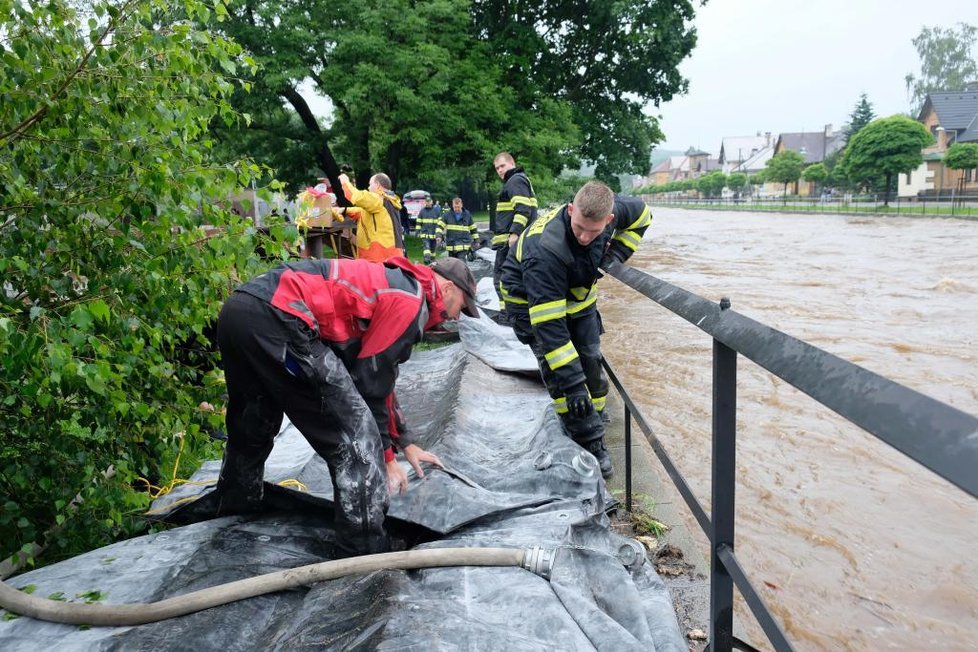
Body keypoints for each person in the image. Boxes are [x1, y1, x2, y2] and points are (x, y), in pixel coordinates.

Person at [214, 255, 479, 556]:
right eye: (462, 306)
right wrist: (386, 458)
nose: (458, 317)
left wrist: (404, 442)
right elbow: (371, 386)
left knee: (254, 421)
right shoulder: (410, 301)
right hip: (281, 318)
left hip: (241, 310)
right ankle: (364, 548)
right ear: (446, 288)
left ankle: (234, 510)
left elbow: (381, 376)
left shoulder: (397, 286)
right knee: (355, 439)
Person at [499, 181, 651, 479]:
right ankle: (589, 441)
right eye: (579, 227)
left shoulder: (614, 212)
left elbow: (643, 216)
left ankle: (594, 413)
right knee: (561, 376)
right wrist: (572, 386)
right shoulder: (545, 249)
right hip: (531, 305)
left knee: (591, 358)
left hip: (577, 299)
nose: (584, 237)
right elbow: (550, 328)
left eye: (593, 232)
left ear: (609, 220)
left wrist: (615, 255)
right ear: (570, 210)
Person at [492, 152, 537, 305]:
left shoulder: (515, 181)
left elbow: (523, 209)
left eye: (503, 166)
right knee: (517, 277)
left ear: (512, 164)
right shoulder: (520, 180)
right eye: (497, 168)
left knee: (503, 279)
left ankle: (507, 315)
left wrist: (514, 234)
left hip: (511, 241)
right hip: (520, 240)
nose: (500, 170)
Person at [337, 172, 405, 262]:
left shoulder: (378, 198)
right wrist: (345, 210)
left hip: (379, 258)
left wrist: (345, 182)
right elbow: (363, 211)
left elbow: (357, 197)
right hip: (388, 256)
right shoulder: (386, 200)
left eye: (370, 184)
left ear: (378, 186)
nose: (368, 187)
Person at [417, 196, 443, 264]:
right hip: (425, 234)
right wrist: (417, 231)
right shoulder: (422, 211)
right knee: (426, 248)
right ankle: (426, 259)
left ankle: (432, 260)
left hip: (434, 234)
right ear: (425, 202)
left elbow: (440, 223)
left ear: (432, 202)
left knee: (433, 250)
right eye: (427, 201)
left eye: (429, 201)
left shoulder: (436, 211)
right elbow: (418, 222)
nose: (428, 203)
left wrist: (439, 234)